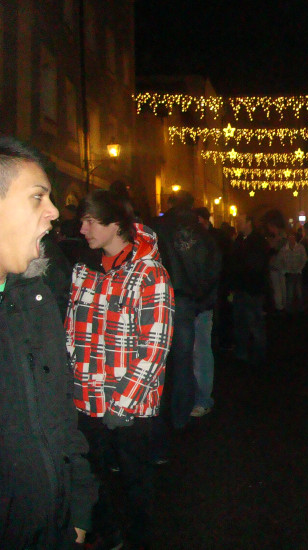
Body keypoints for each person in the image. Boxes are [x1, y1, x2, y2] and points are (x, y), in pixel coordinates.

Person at [0, 137, 97, 549]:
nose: (55, 212)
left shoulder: (34, 298)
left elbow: (59, 411)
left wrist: (79, 507)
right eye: (38, 196)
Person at [66, 189, 174, 549]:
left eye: (90, 221)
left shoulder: (149, 273)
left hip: (130, 406)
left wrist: (122, 403)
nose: (82, 229)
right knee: (89, 477)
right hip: (86, 398)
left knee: (134, 481)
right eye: (82, 221)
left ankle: (140, 539)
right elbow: (72, 331)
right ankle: (108, 534)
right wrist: (68, 384)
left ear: (116, 224)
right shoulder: (84, 268)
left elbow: (154, 347)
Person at [150, 191, 219, 459]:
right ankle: (180, 415)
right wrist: (199, 297)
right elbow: (212, 267)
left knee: (157, 360)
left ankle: (155, 415)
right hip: (186, 301)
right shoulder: (201, 233)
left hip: (158, 298)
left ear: (170, 204)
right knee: (183, 358)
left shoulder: (158, 228)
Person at [189, 206, 223, 417]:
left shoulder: (206, 243)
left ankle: (203, 398)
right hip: (199, 302)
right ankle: (199, 396)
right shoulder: (205, 241)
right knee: (198, 351)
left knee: (200, 351)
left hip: (200, 304)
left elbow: (209, 275)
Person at [228, 214, 270, 367]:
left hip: (252, 289)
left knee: (255, 322)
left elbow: (255, 266)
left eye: (240, 221)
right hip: (241, 288)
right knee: (240, 322)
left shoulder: (257, 242)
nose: (238, 224)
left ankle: (259, 354)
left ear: (249, 222)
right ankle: (242, 352)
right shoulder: (240, 240)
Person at [277, 230, 308, 313]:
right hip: (289, 273)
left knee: (299, 291)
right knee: (290, 291)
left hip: (298, 272)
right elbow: (279, 260)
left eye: (293, 237)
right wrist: (284, 270)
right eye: (290, 237)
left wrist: (300, 268)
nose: (291, 239)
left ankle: (299, 308)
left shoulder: (300, 247)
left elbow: (304, 259)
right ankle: (289, 309)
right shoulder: (284, 249)